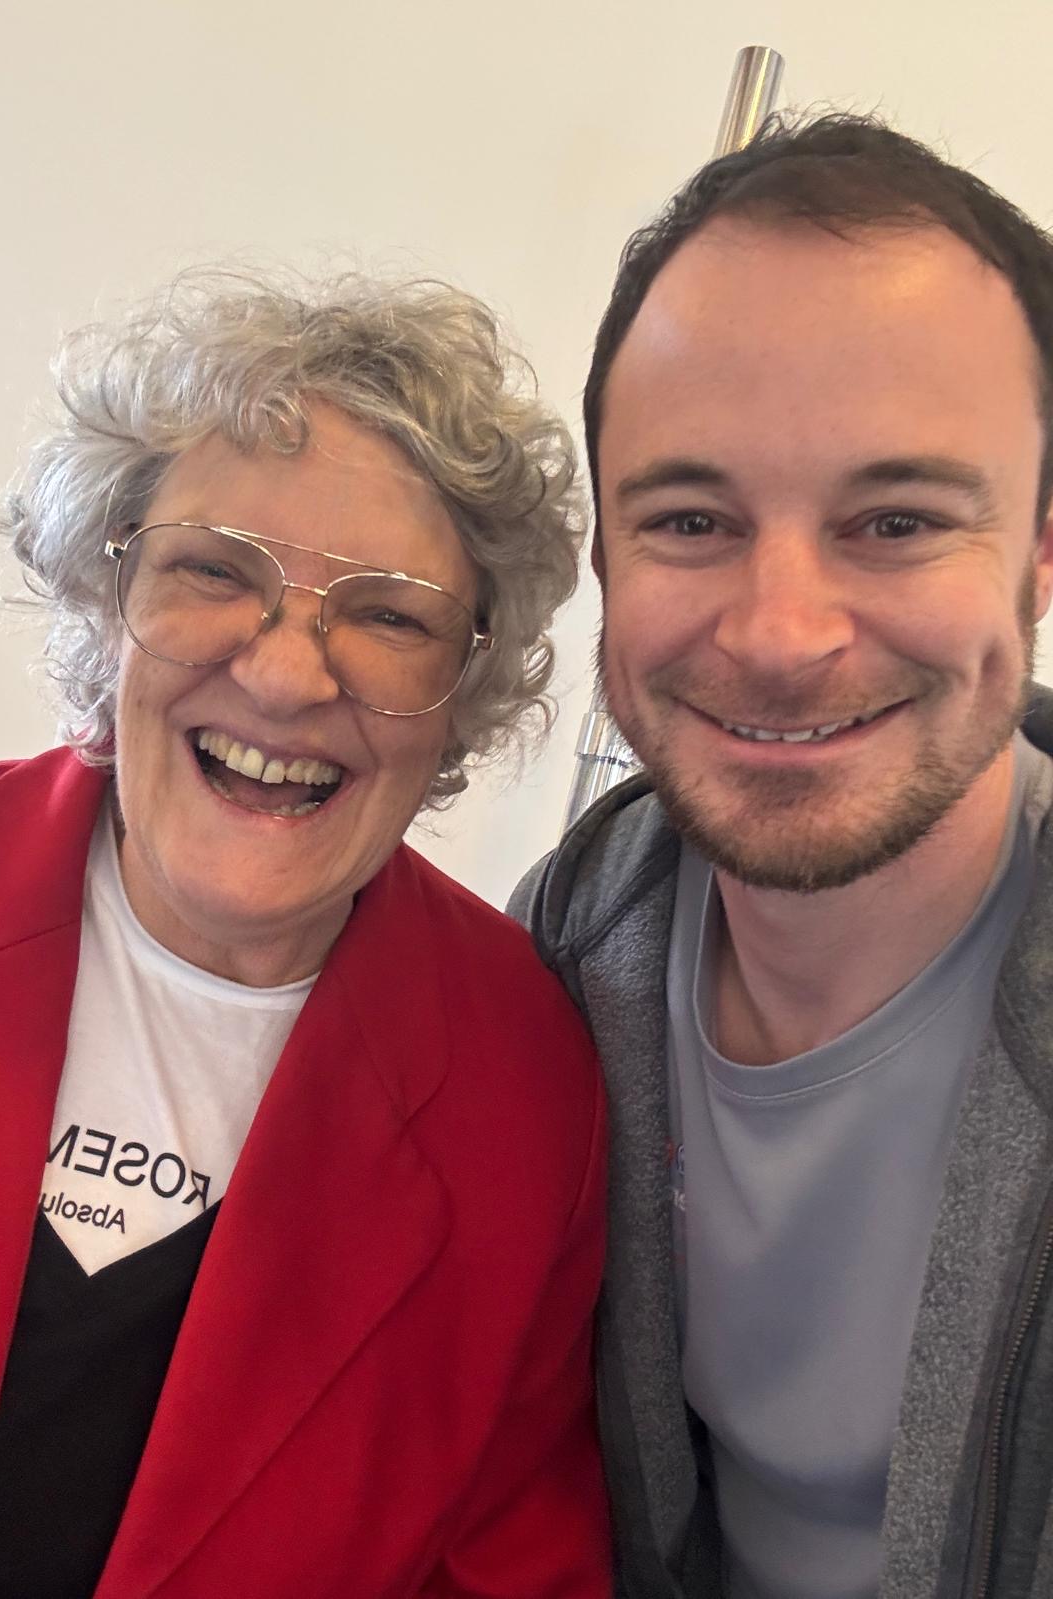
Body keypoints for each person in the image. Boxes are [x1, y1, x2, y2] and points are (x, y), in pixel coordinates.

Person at [0, 269, 611, 1599]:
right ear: (111, 585)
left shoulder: (525, 1083)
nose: (280, 673)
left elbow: (509, 1567)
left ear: (467, 679)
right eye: (215, 572)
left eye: (387, 615)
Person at [511, 115, 1053, 1598]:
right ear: (609, 564)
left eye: (894, 520)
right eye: (691, 519)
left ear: (1043, 550)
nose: (779, 635)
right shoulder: (562, 954)